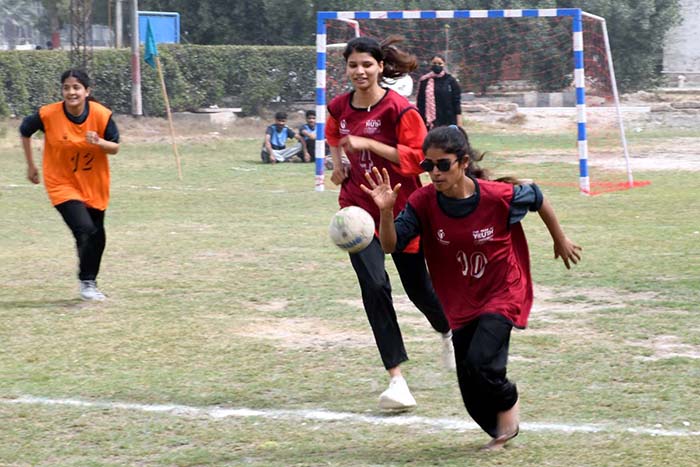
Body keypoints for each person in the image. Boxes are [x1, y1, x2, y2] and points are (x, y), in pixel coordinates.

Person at [361, 125, 582, 449]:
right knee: (471, 392)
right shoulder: (423, 202)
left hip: (502, 291)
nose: (434, 173)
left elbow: (536, 196)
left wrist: (559, 238)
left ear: (463, 162)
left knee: (481, 363)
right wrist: (385, 212)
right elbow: (391, 246)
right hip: (461, 302)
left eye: (443, 164)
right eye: (428, 166)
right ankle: (500, 431)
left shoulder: (495, 196)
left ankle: (509, 404)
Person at [325, 36, 454, 411]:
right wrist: (337, 166)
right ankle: (396, 380)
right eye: (353, 65)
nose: (360, 71)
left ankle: (447, 330)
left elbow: (417, 161)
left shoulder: (399, 110)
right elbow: (334, 133)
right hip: (358, 212)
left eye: (367, 64)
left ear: (381, 66)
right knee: (375, 286)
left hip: (401, 211)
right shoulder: (338, 106)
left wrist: (369, 144)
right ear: (346, 69)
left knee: (419, 290)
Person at [19, 69, 121, 301]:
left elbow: (115, 147)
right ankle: (86, 284)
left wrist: (99, 141)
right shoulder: (48, 114)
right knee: (84, 229)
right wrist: (30, 166)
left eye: (76, 88)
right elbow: (25, 131)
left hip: (93, 184)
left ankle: (90, 281)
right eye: (66, 87)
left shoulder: (101, 114)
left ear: (87, 91)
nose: (71, 92)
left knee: (97, 236)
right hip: (61, 183)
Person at [416, 54, 462, 129]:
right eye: (434, 63)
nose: (437, 65)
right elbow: (420, 102)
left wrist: (459, 122)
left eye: (440, 63)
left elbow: (456, 102)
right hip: (428, 121)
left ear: (444, 64)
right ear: (430, 64)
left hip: (447, 120)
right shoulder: (424, 81)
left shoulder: (450, 80)